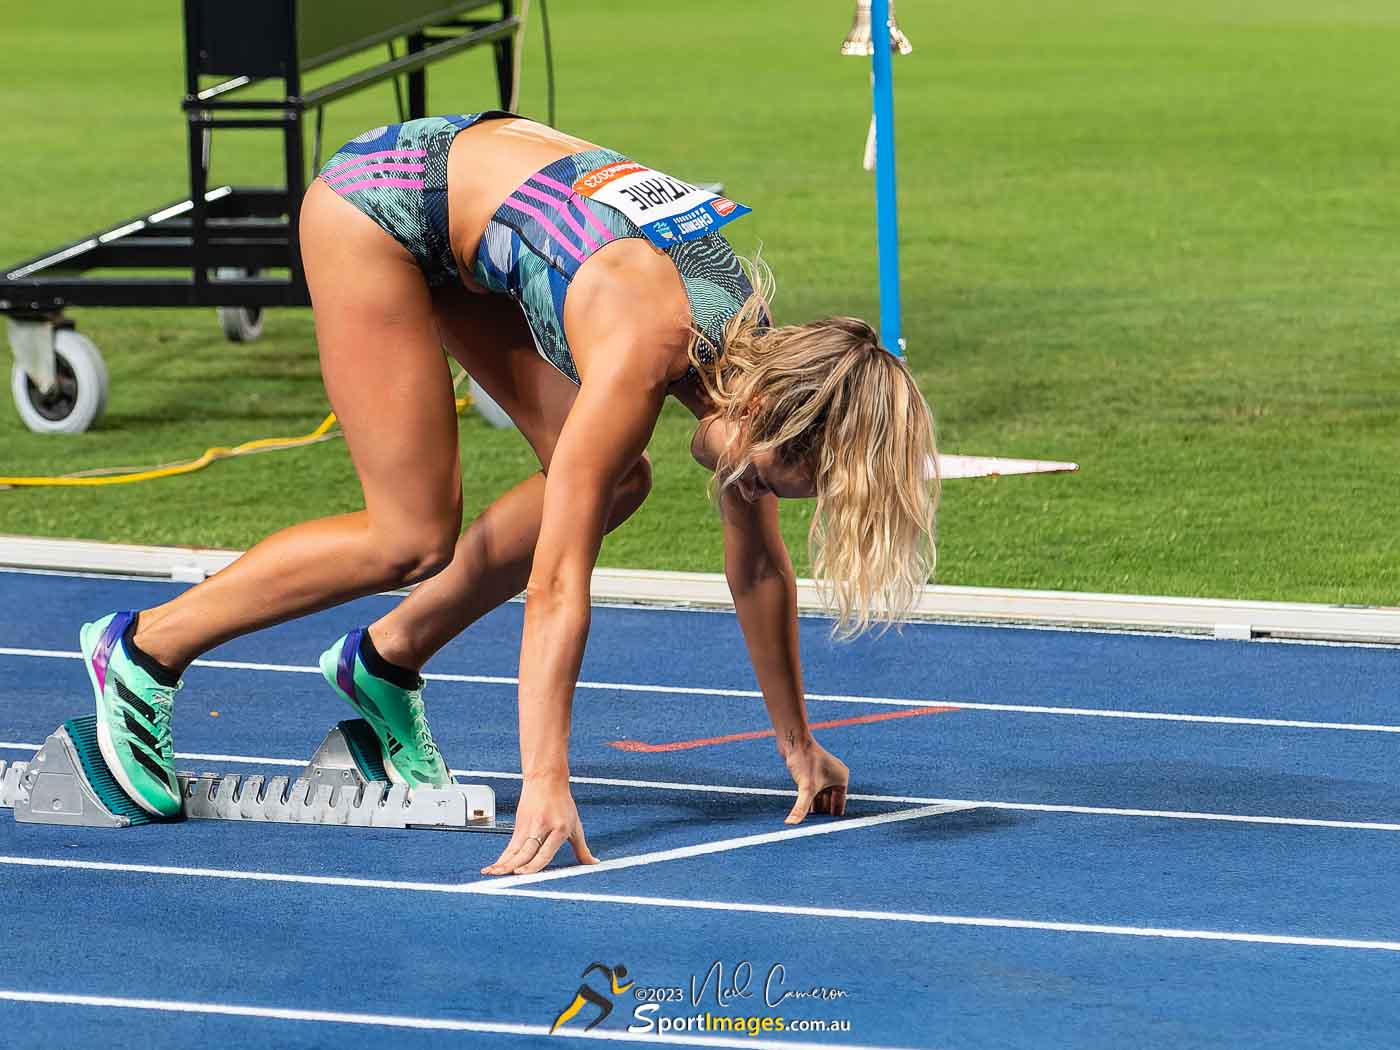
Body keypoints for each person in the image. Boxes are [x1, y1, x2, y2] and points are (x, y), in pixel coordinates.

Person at [78, 111, 940, 875]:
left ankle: (385, 661)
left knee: (617, 481)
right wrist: (545, 783)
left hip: (476, 221)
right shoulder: (652, 340)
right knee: (410, 536)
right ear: (764, 416)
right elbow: (558, 586)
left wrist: (799, 746)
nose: (755, 490)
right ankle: (143, 653)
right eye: (781, 478)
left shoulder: (757, 359)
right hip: (378, 204)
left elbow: (757, 572)